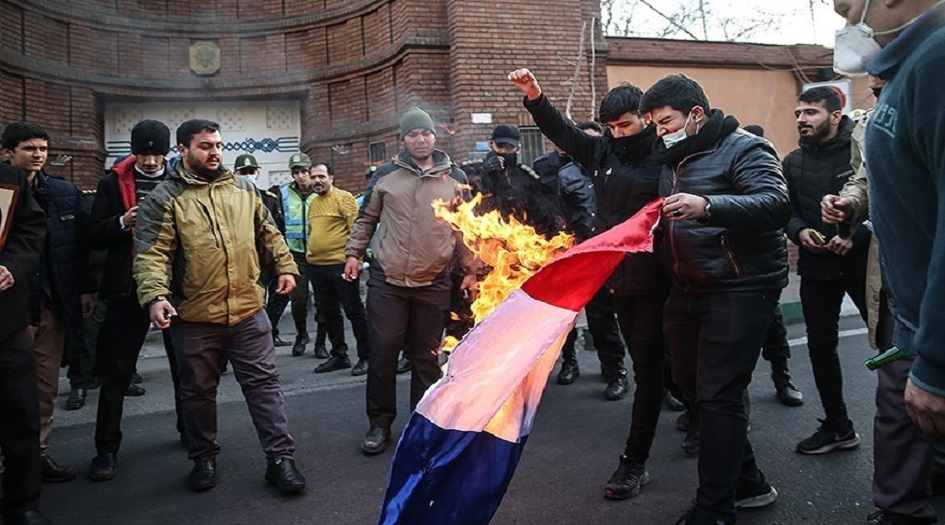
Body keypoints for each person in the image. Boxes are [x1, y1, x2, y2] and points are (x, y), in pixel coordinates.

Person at [510, 71, 671, 500]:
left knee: (670, 366)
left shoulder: (668, 155)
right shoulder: (600, 150)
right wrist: (536, 97)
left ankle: (639, 457)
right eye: (612, 127)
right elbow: (561, 131)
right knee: (650, 364)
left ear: (647, 120)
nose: (618, 135)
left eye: (626, 126)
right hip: (618, 279)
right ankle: (639, 459)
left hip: (663, 277)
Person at [641, 73, 790, 524]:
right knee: (692, 388)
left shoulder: (745, 147)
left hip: (741, 286)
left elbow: (775, 205)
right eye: (655, 124)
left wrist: (709, 206)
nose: (660, 131)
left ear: (696, 115)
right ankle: (748, 482)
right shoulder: (672, 160)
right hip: (687, 287)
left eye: (666, 121)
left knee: (719, 394)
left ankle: (715, 509)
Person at [133, 119, 305, 493]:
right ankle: (203, 458)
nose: (214, 153)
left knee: (264, 386)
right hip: (194, 317)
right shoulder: (164, 198)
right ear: (182, 150)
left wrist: (286, 266)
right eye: (205, 146)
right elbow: (152, 255)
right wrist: (156, 296)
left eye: (218, 145)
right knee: (197, 392)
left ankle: (280, 459)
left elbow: (269, 233)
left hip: (247, 310)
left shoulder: (243, 189)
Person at [830, 1, 945, 521]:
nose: (845, 23)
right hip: (910, 318)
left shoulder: (937, 62)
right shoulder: (910, 69)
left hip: (931, 333)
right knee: (902, 425)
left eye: (849, 8)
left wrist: (937, 364)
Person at [344, 107, 479, 455]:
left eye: (426, 133)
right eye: (413, 134)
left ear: (435, 136)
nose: (421, 139)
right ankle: (379, 423)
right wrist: (353, 254)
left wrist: (471, 269)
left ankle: (422, 423)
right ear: (402, 139)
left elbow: (466, 230)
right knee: (383, 353)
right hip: (387, 282)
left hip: (434, 281)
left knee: (425, 357)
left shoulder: (455, 177)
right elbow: (365, 220)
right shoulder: (386, 175)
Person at [85, 120, 186, 481]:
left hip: (175, 287)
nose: (148, 161)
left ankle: (191, 434)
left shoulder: (180, 180)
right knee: (117, 373)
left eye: (156, 154)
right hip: (126, 287)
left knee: (184, 368)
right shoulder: (111, 182)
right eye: (143, 154)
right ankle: (106, 450)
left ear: (167, 152)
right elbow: (93, 235)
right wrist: (120, 222)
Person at [2, 122, 95, 484]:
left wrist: (84, 289)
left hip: (51, 306)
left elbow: (78, 247)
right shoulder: (4, 190)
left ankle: (35, 459)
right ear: (7, 152)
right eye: (29, 148)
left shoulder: (63, 192)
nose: (38, 154)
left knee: (43, 390)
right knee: (11, 392)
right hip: (12, 311)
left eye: (43, 148)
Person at [784, 86, 870, 455]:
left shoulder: (862, 150)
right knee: (821, 348)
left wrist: (856, 237)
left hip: (863, 267)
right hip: (816, 268)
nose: (802, 119)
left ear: (836, 115)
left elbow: (881, 200)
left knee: (893, 347)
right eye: (799, 113)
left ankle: (916, 430)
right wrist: (800, 231)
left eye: (811, 113)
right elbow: (785, 210)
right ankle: (838, 426)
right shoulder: (791, 162)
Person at [532, 121, 633, 397]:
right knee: (589, 319)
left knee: (627, 321)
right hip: (584, 257)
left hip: (620, 255)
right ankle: (593, 368)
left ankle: (635, 376)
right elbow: (557, 217)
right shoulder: (565, 176)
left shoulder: (620, 171)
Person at [0, 162, 55, 525]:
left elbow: (30, 229)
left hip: (6, 324)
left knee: (22, 414)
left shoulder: (9, 178)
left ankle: (22, 506)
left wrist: (11, 266)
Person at [305, 161, 370, 376]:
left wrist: (357, 260)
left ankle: (366, 356)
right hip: (317, 267)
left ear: (332, 178)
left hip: (341, 265)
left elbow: (357, 230)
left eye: (321, 176)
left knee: (353, 310)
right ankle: (339, 355)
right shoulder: (313, 202)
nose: (317, 181)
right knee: (328, 312)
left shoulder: (344, 198)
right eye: (313, 177)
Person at [233, 154, 291, 349]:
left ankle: (270, 331)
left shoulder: (269, 199)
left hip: (266, 257)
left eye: (251, 171)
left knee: (278, 295)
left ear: (257, 172)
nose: (248, 175)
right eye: (243, 172)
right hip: (242, 259)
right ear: (235, 174)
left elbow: (277, 230)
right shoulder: (229, 200)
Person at [280, 152, 328, 358]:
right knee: (299, 300)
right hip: (296, 255)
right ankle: (301, 335)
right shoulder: (282, 194)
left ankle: (321, 342)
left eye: (304, 172)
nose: (300, 176)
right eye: (296, 172)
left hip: (320, 254)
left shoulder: (322, 193)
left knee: (323, 301)